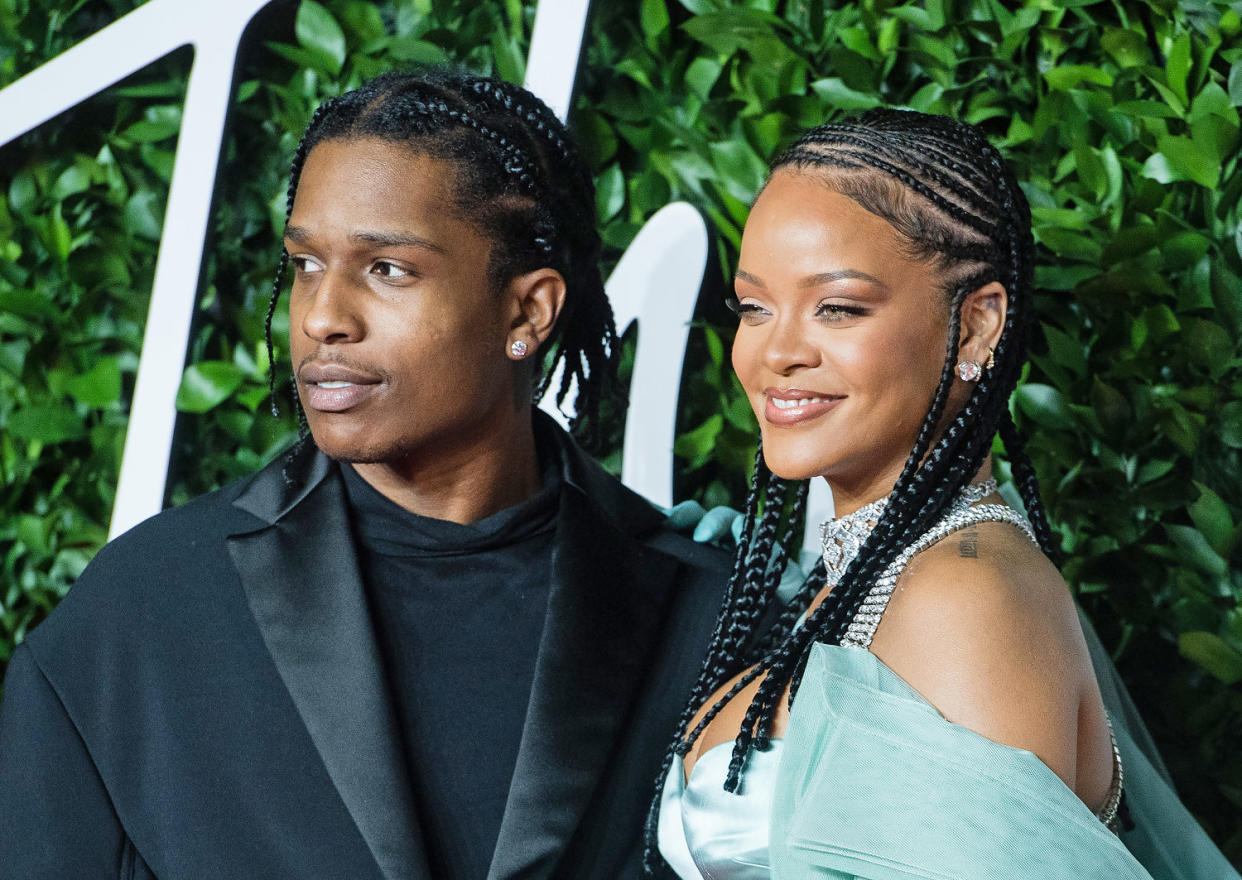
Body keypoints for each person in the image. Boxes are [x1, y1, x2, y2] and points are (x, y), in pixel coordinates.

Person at [0, 69, 730, 879]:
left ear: (527, 312)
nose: (320, 317)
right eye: (306, 264)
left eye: (387, 269)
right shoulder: (142, 614)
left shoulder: (707, 613)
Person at [651, 110, 1239, 879]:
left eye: (838, 308)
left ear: (976, 327)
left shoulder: (967, 596)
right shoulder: (865, 577)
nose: (778, 351)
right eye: (755, 307)